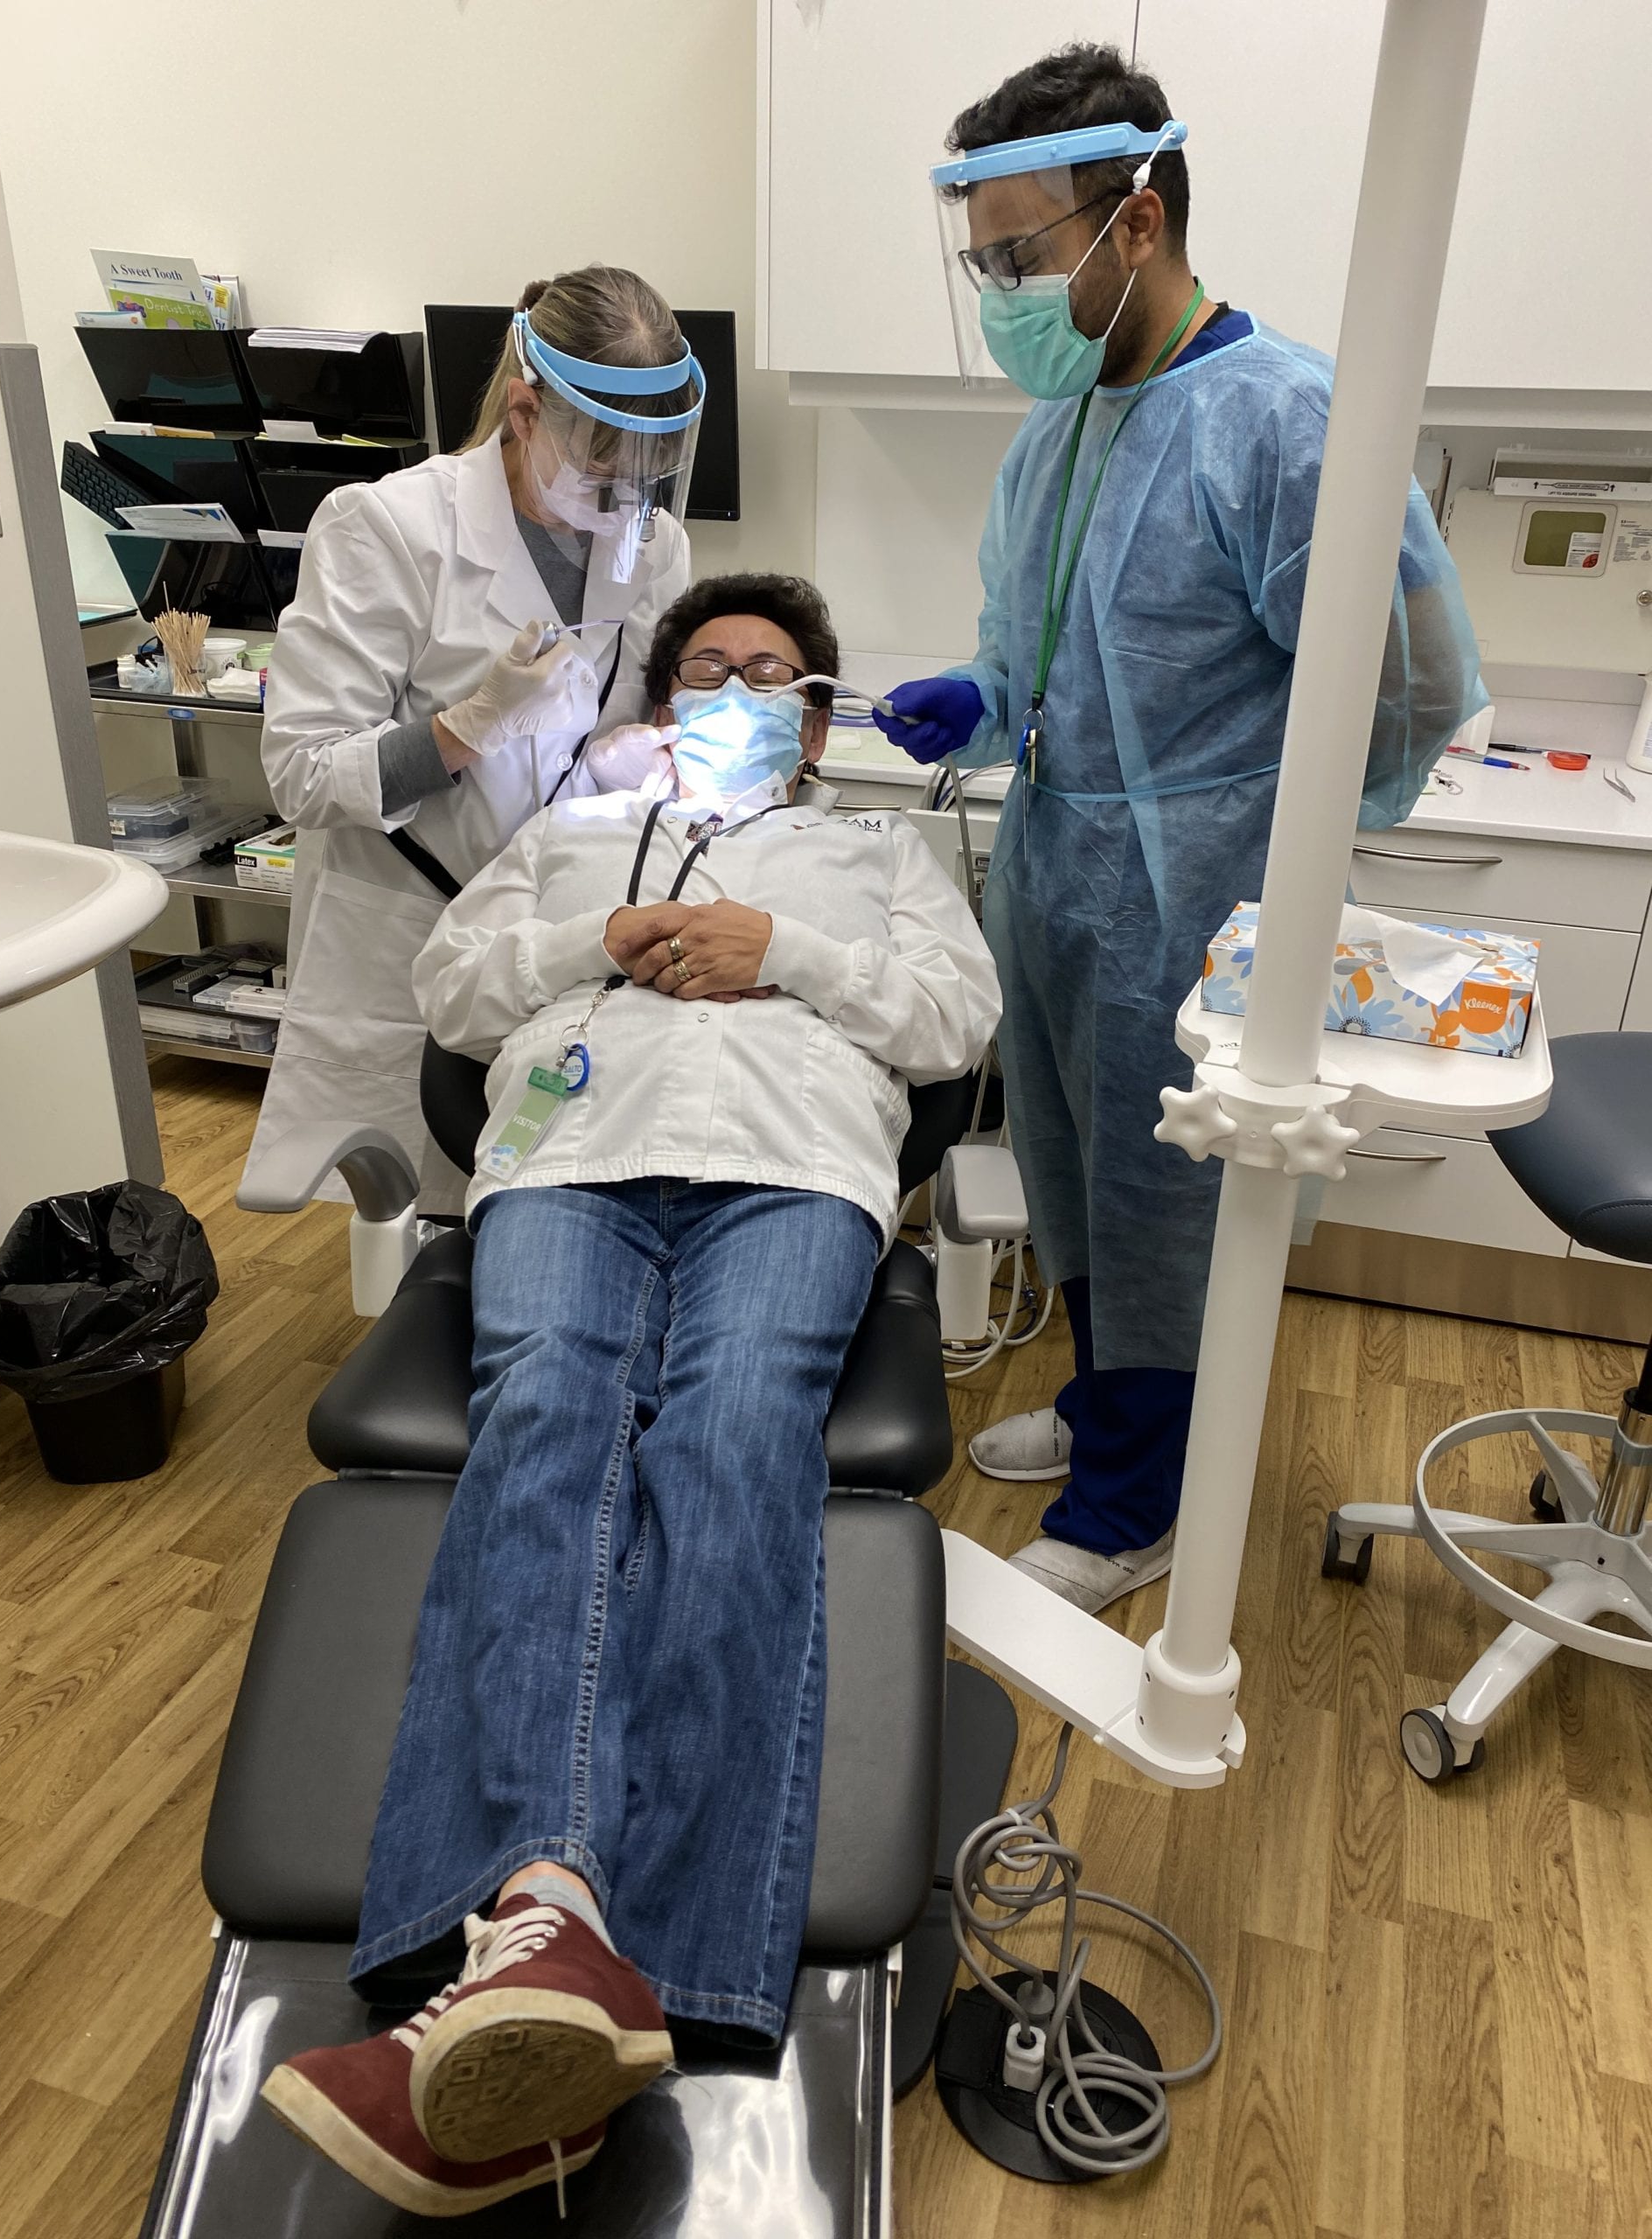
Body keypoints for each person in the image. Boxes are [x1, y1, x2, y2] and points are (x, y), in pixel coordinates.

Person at [259, 572, 1000, 2218]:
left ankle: (592, 1947)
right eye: (710, 668)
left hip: (792, 1167)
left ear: (817, 720)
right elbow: (452, 992)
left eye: (775, 675)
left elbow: (958, 1024)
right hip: (566, 1162)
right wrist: (592, 943)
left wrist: (779, 950)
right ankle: (548, 1922)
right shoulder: (570, 835)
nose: (739, 689)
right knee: (542, 1439)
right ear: (663, 702)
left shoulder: (880, 858)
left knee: (734, 1450)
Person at [873, 43, 1486, 1615]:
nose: (1004, 287)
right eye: (984, 259)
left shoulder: (1282, 421)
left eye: (1022, 252)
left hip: (1206, 907)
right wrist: (977, 699)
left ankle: (1143, 1498)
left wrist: (1289, 842)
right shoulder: (1060, 434)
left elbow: (1415, 678)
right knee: (1076, 1174)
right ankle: (1105, 1418)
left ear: (1132, 222)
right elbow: (1033, 657)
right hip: (1063, 885)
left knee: (1172, 1205)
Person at [246, 266, 704, 1214]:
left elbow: (634, 713)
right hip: (415, 932)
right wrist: (464, 729)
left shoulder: (654, 545)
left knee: (562, 1207)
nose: (626, 504)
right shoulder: (389, 528)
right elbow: (300, 774)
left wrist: (651, 743)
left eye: (644, 476)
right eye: (601, 470)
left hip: (567, 926)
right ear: (527, 411)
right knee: (428, 1226)